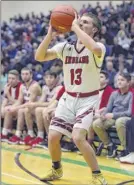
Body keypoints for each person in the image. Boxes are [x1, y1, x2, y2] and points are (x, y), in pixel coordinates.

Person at [35, 12, 107, 184]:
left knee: (78, 138)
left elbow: (95, 49)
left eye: (85, 22)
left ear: (94, 29)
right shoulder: (64, 47)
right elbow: (39, 57)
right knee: (52, 136)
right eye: (79, 21)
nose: (80, 24)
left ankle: (97, 175)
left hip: (87, 99)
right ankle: (56, 169)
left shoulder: (99, 47)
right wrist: (49, 35)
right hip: (68, 98)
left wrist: (74, 26)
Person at [93, 72, 133, 158]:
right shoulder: (114, 93)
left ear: (128, 82)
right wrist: (103, 115)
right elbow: (108, 108)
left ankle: (126, 149)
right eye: (118, 80)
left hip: (126, 117)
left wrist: (113, 115)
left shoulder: (131, 94)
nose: (119, 82)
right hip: (113, 116)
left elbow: (130, 112)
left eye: (122, 80)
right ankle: (110, 145)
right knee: (96, 124)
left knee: (119, 121)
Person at [22, 71, 62, 146]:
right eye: (47, 78)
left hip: (56, 109)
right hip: (48, 108)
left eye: (51, 77)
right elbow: (41, 101)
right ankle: (35, 135)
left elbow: (51, 103)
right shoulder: (45, 87)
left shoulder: (59, 88)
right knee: (29, 109)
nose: (49, 79)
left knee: (39, 110)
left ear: (56, 79)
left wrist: (34, 104)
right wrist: (34, 105)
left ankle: (48, 137)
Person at [7, 67, 41, 144]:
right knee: (17, 110)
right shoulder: (22, 86)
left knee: (22, 110)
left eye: (26, 74)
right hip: (28, 108)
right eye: (22, 74)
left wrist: (16, 108)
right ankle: (19, 134)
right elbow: (19, 100)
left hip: (37, 107)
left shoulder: (34, 86)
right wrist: (12, 107)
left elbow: (30, 103)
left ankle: (28, 134)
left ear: (31, 75)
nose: (24, 76)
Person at [1, 70, 22, 142]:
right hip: (12, 106)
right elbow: (5, 100)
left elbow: (19, 102)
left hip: (21, 107)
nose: (10, 80)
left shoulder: (21, 86)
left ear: (17, 79)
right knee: (4, 109)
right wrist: (2, 108)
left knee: (8, 110)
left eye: (13, 79)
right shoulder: (7, 86)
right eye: (9, 78)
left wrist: (8, 94)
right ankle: (7, 131)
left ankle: (4, 133)